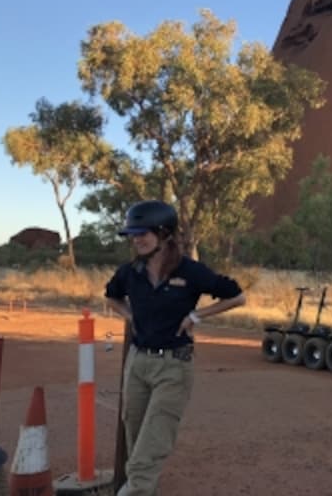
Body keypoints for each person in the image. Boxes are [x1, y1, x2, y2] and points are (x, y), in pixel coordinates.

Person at [105, 200, 246, 495]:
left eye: (143, 233)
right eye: (133, 233)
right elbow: (112, 296)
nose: (136, 239)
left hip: (173, 367)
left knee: (148, 453)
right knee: (136, 443)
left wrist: (196, 315)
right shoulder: (130, 272)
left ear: (164, 233)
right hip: (137, 365)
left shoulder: (190, 271)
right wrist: (131, 316)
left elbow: (237, 297)